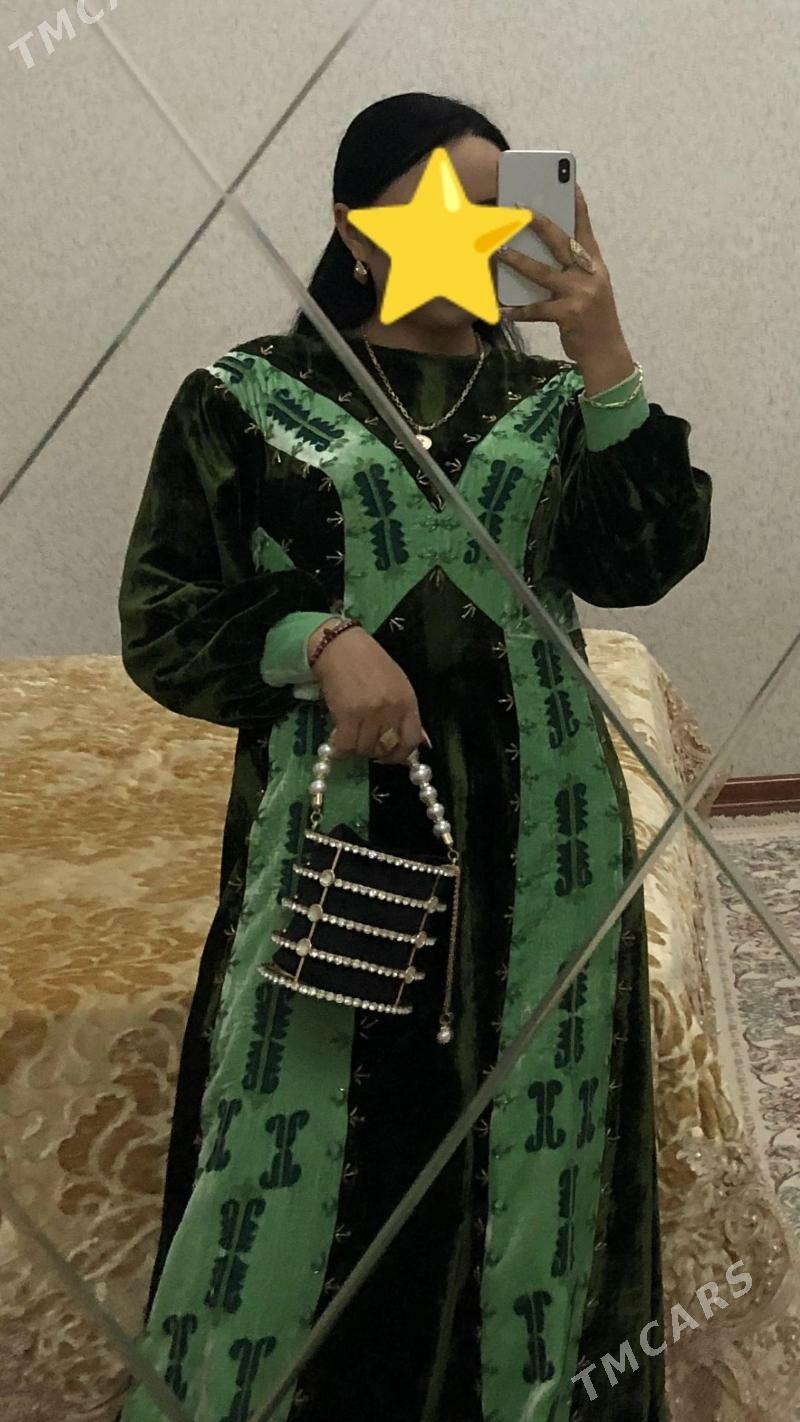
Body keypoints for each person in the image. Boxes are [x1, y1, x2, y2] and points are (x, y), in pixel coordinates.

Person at [114, 91, 712, 1422]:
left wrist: (607, 353)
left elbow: (646, 556)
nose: (480, 233)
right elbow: (162, 619)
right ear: (355, 233)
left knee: (536, 1162)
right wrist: (313, 638)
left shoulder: (555, 403)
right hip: (334, 826)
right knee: (294, 1159)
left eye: (502, 207)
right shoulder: (245, 400)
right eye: (444, 206)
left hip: (548, 843)